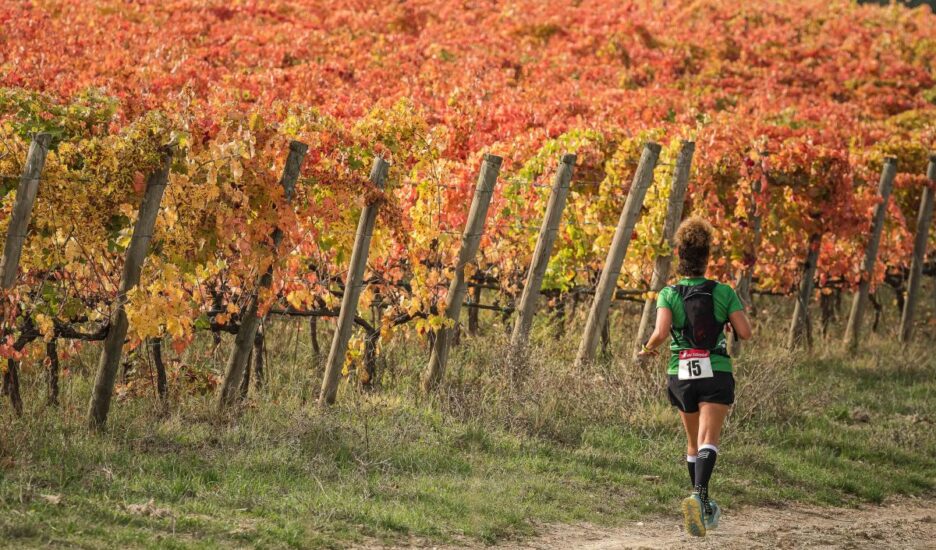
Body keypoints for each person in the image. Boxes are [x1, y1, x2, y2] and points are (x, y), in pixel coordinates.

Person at [637, 216, 752, 537]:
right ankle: (698, 498)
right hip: (716, 370)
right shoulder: (723, 292)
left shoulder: (668, 293)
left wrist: (647, 351)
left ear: (679, 254)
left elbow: (660, 333)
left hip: (681, 372)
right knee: (709, 440)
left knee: (692, 443)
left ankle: (702, 503)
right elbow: (745, 331)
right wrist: (728, 322)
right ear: (707, 256)